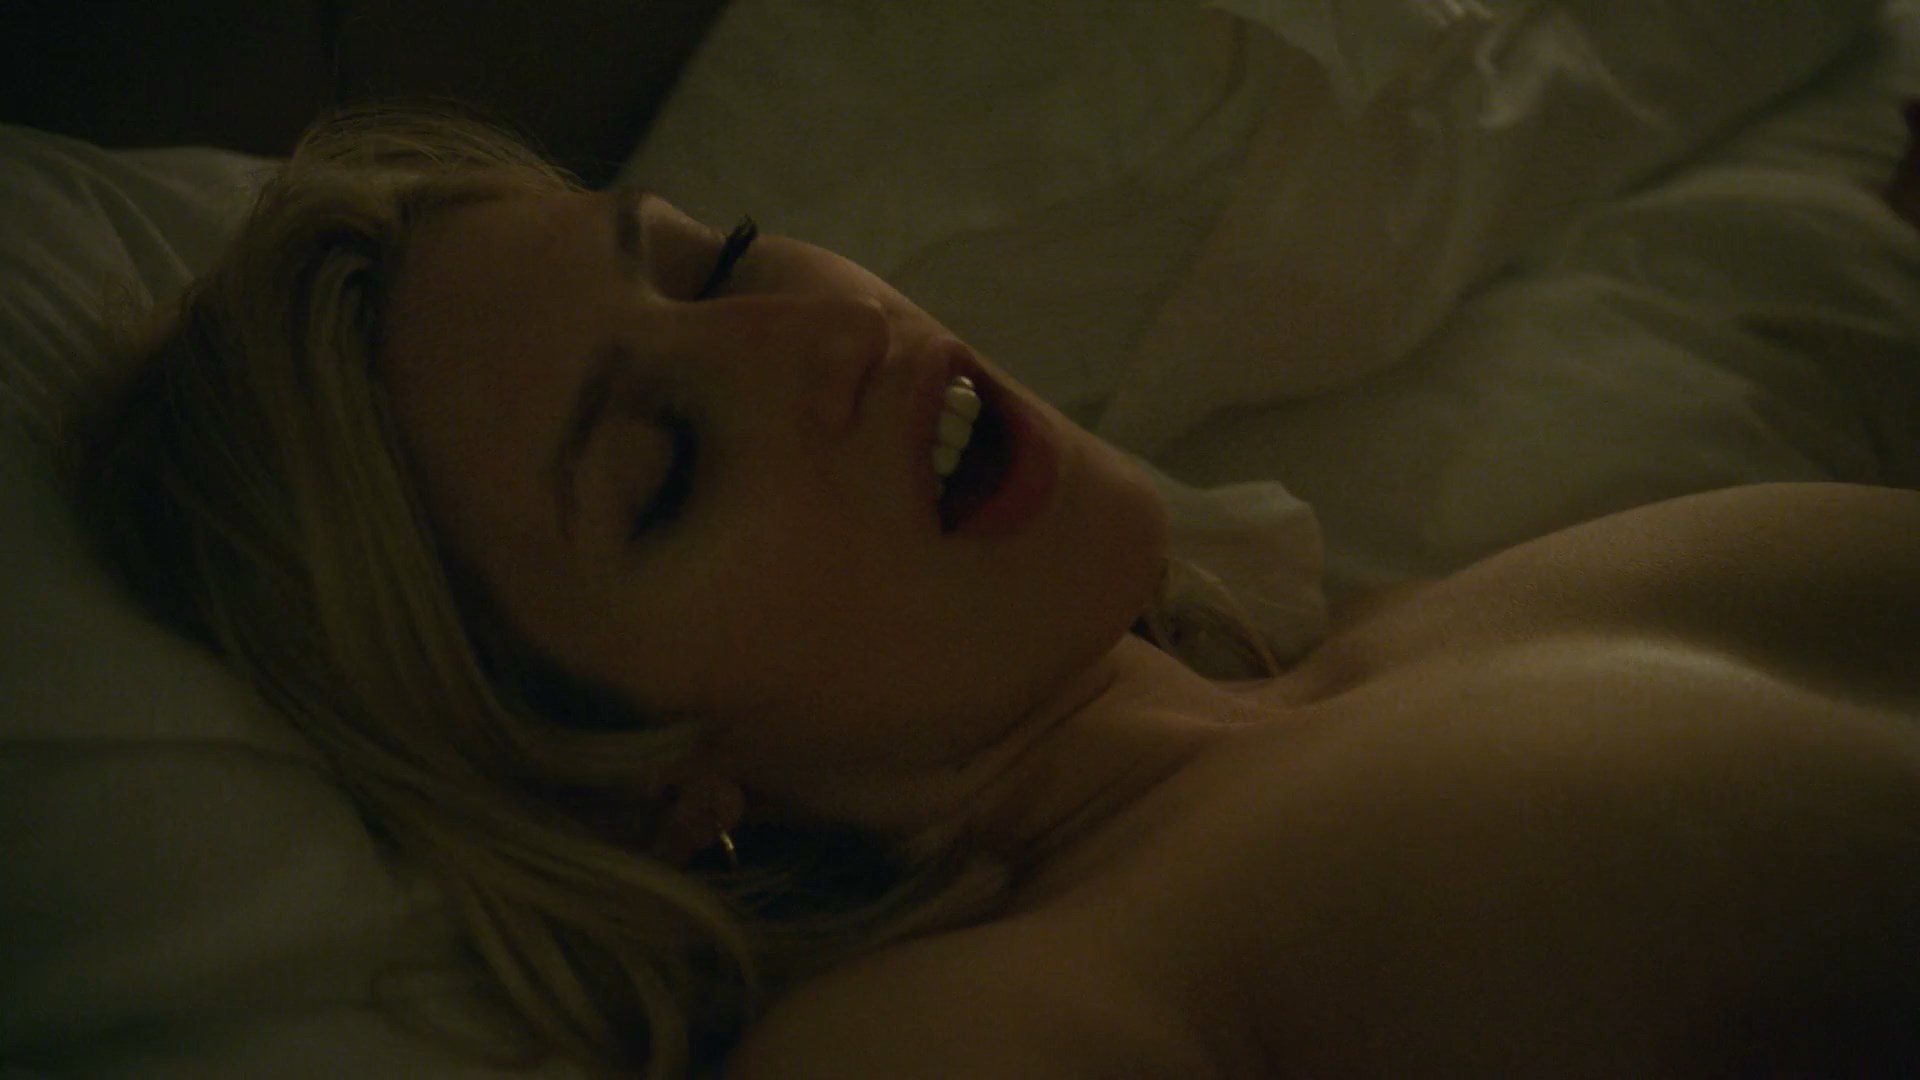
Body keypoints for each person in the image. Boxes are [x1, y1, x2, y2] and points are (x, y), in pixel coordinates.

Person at [70, 106, 1920, 1078]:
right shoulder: (968, 1026)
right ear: (646, 782)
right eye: (664, 470)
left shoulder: (1393, 645)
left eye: (715, 262)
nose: (823, 337)